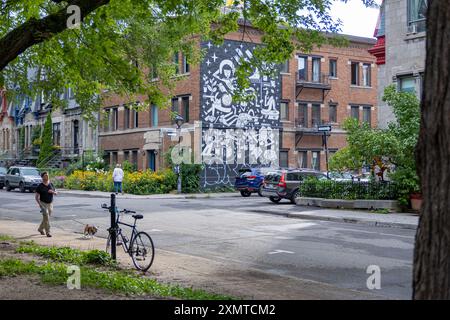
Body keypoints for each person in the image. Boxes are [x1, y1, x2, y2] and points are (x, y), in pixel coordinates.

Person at [35, 172, 57, 237]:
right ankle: (48, 232)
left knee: (46, 218)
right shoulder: (40, 186)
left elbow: (56, 192)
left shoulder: (51, 184)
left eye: (48, 175)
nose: (47, 176)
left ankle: (40, 229)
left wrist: (53, 192)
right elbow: (36, 197)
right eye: (45, 175)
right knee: (46, 217)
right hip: (43, 203)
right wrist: (40, 204)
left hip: (50, 203)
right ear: (42, 177)